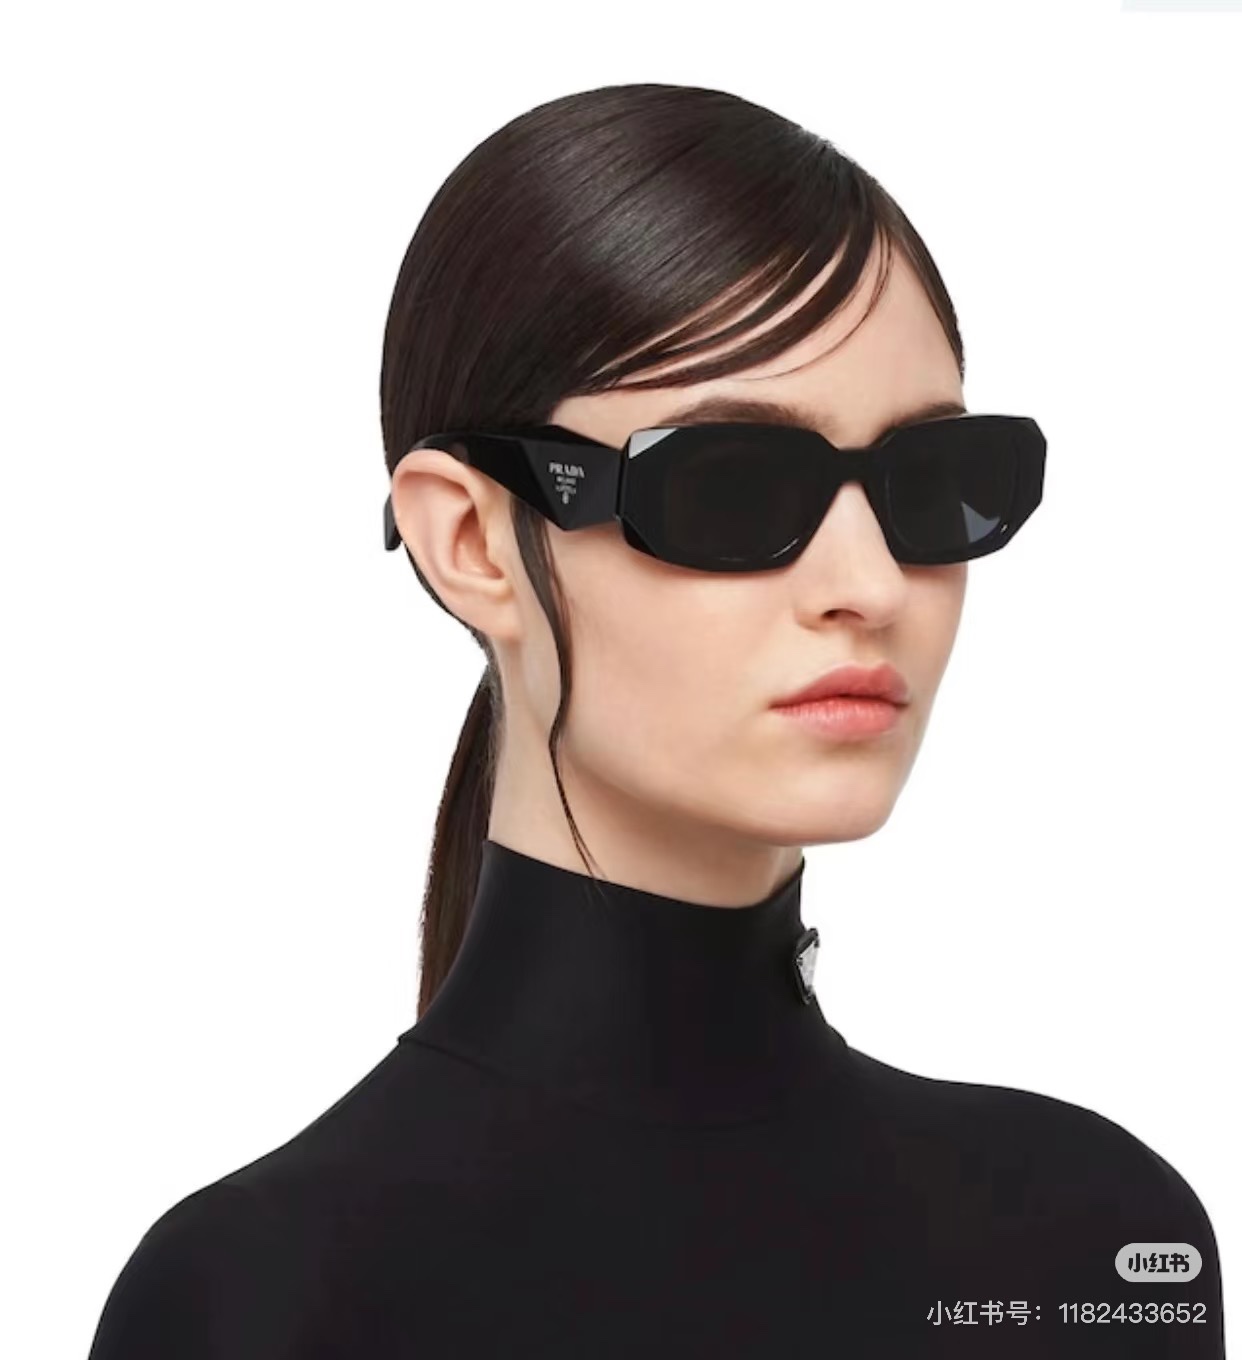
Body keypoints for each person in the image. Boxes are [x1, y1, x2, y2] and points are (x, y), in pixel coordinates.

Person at [85, 82, 1225, 1358]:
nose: (869, 585)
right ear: (471, 541)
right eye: (731, 485)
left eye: (937, 481)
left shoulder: (1098, 1245)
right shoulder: (264, 1298)